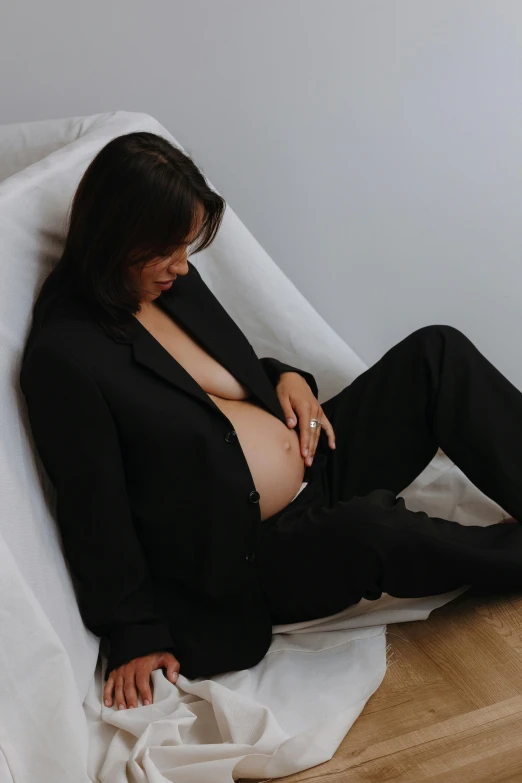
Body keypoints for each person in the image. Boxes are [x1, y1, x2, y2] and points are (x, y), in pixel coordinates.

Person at [19, 132, 522, 714]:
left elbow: (213, 379)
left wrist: (288, 378)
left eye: (187, 247)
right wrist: (134, 631)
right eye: (167, 251)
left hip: (317, 459)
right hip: (253, 555)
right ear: (114, 237)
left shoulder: (168, 281)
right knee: (376, 529)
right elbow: (93, 508)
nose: (182, 266)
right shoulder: (66, 356)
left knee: (437, 355)